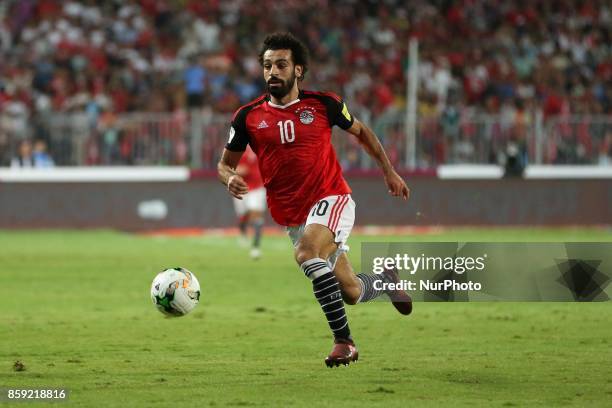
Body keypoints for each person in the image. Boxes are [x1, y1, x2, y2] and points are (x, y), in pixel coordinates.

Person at [218, 32, 411, 368]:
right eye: (267, 66)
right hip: (293, 215)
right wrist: (230, 177)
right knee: (351, 292)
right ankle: (385, 280)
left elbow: (362, 131)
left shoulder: (323, 104)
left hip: (331, 197)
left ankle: (344, 343)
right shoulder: (247, 117)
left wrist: (388, 171)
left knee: (306, 253)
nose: (272, 72)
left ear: (298, 70)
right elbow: (224, 163)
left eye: (280, 64)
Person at [232, 145, 266, 259]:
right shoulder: (237, 147)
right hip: (242, 187)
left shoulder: (261, 145)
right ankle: (243, 233)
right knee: (244, 215)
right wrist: (238, 170)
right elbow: (231, 167)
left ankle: (256, 247)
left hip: (257, 187)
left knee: (255, 214)